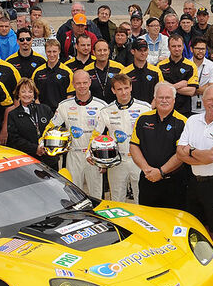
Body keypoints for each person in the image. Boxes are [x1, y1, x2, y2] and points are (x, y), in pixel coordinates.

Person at [176, 84, 213, 257]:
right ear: (202, 100)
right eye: (210, 99)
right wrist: (202, 156)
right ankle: (208, 265)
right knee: (201, 228)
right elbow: (180, 153)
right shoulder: (193, 121)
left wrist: (192, 151)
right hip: (195, 183)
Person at [40, 69, 108, 197]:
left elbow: (107, 134)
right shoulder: (64, 105)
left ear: (89, 82)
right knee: (73, 194)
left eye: (84, 82)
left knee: (96, 194)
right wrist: (42, 142)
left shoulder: (101, 106)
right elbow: (52, 126)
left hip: (93, 156)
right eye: (78, 83)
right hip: (73, 154)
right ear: (73, 84)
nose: (82, 86)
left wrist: (104, 160)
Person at [92, 74, 152, 202]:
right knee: (117, 198)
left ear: (131, 87)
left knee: (141, 198)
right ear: (113, 91)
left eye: (126, 88)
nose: (123, 92)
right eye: (119, 89)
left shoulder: (145, 108)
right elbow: (96, 134)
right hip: (117, 160)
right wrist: (89, 154)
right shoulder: (106, 110)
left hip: (140, 160)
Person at [131, 82, 189, 208]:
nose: (164, 100)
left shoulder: (183, 122)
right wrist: (147, 169)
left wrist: (161, 172)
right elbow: (134, 146)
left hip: (174, 183)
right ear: (155, 99)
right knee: (147, 220)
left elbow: (181, 154)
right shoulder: (143, 119)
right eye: (160, 97)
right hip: (148, 179)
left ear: (174, 100)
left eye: (167, 97)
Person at [5, 78, 56, 167]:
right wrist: (35, 148)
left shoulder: (45, 109)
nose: (27, 95)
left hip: (49, 158)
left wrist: (48, 148)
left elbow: (54, 130)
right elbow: (14, 139)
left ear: (34, 94)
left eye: (30, 91)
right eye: (23, 91)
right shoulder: (13, 115)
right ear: (18, 94)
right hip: (27, 160)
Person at [158, 34, 199, 114]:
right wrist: (180, 85)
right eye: (173, 46)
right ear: (169, 47)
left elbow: (191, 91)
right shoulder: (160, 66)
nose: (177, 49)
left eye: (179, 46)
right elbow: (160, 89)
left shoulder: (191, 66)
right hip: (164, 110)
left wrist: (169, 87)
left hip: (184, 110)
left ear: (183, 47)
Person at [32, 40, 75, 110]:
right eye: (49, 52)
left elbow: (69, 96)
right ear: (45, 52)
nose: (51, 55)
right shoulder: (37, 72)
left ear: (59, 51)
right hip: (43, 112)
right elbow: (35, 96)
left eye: (54, 51)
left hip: (61, 112)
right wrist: (40, 110)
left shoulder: (67, 72)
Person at [122, 39, 163, 104]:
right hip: (132, 110)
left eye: (145, 50)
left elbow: (161, 91)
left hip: (151, 109)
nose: (143, 53)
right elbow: (122, 93)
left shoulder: (156, 71)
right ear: (133, 51)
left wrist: (152, 105)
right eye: (140, 50)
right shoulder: (125, 72)